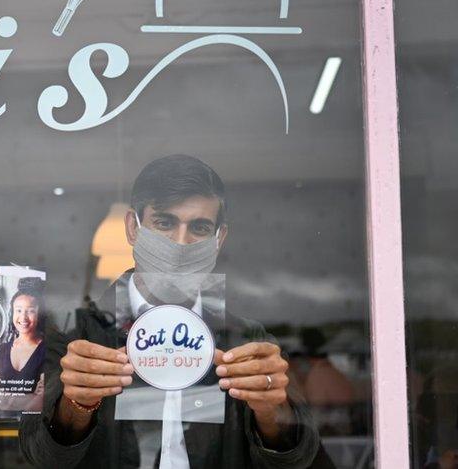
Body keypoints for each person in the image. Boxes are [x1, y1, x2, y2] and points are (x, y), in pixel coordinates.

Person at [19, 154, 320, 468]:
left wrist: (272, 409)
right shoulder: (73, 333)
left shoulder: (248, 341)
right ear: (133, 227)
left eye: (200, 228)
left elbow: (298, 458)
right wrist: (76, 404)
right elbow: (39, 454)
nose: (180, 243)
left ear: (221, 238)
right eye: (164, 222)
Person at [0, 283, 46, 413]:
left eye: (30, 311)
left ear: (39, 314)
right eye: (18, 310)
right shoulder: (2, 349)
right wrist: (28, 399)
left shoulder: (46, 350)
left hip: (30, 426)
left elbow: (41, 402)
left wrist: (2, 399)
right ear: (12, 313)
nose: (23, 317)